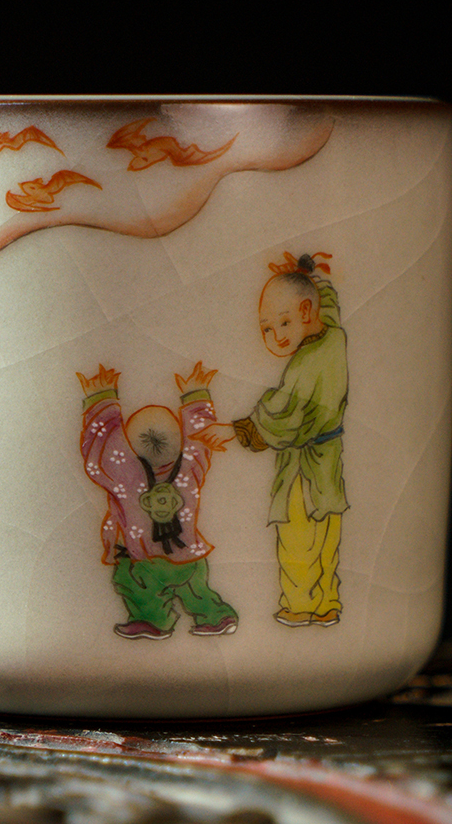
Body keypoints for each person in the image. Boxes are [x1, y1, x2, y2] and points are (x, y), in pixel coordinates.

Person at [196, 253, 349, 627]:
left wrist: (234, 429)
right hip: (330, 464)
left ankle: (298, 606)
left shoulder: (306, 364)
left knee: (298, 538)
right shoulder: (334, 335)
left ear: (306, 311)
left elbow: (284, 412)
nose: (276, 336)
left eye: (284, 322)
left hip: (304, 468)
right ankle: (326, 602)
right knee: (327, 534)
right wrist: (307, 274)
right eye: (266, 328)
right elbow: (328, 304)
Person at [77, 360, 238, 640]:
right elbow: (201, 442)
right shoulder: (188, 470)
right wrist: (195, 396)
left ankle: (152, 620)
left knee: (133, 584)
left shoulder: (125, 476)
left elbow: (103, 448)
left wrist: (101, 400)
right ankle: (216, 616)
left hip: (144, 561)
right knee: (196, 590)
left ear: (129, 448)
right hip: (189, 558)